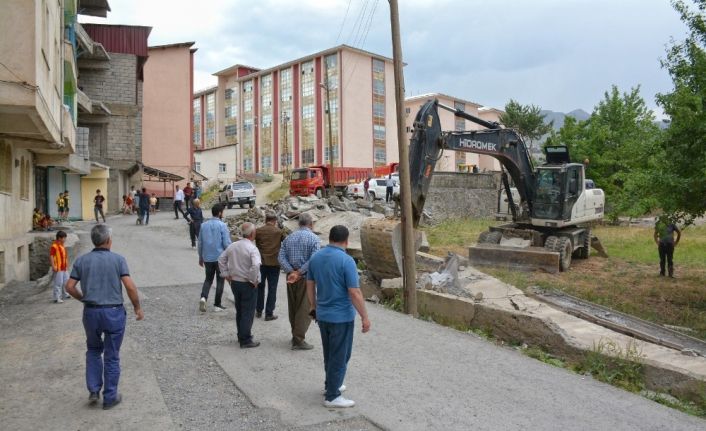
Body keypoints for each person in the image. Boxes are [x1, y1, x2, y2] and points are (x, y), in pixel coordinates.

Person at [64, 224, 144, 410]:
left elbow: (69, 287)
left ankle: (93, 389)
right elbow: (130, 286)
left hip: (91, 312)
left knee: (93, 349)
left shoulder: (82, 261)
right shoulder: (118, 260)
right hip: (113, 312)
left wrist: (84, 299)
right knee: (112, 355)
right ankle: (109, 398)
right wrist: (137, 307)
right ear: (108, 240)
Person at [306, 225, 371, 408]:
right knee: (341, 355)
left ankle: (331, 384)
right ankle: (333, 396)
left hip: (323, 315)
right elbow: (354, 292)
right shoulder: (347, 261)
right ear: (346, 240)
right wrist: (364, 317)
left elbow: (309, 284)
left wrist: (313, 306)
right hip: (341, 316)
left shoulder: (316, 257)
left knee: (330, 353)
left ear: (330, 238)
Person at [278, 212, 321, 350]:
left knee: (294, 307)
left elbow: (281, 257)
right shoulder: (314, 239)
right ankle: (298, 339)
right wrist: (299, 272)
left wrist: (291, 271)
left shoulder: (289, 238)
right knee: (305, 309)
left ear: (299, 223)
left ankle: (295, 335)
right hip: (305, 278)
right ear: (311, 224)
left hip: (291, 277)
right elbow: (314, 260)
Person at [218, 222, 261, 348]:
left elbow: (221, 259)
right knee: (248, 311)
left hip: (235, 282)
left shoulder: (233, 245)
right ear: (252, 234)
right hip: (247, 283)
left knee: (240, 310)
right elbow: (256, 265)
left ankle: (241, 335)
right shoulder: (252, 248)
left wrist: (226, 274)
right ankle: (245, 339)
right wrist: (253, 280)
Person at [197, 203, 231, 312]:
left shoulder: (203, 225)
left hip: (207, 257)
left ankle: (203, 297)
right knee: (220, 281)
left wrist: (200, 257)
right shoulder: (222, 225)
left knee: (208, 279)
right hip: (220, 258)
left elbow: (200, 243)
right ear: (220, 213)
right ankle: (217, 304)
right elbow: (226, 243)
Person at [255, 212, 285, 320]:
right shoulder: (278, 232)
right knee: (272, 288)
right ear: (275, 221)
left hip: (261, 263)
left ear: (265, 220)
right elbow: (284, 243)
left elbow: (256, 244)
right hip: (274, 263)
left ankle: (258, 310)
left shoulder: (258, 231)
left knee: (260, 287)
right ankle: (269, 313)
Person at [50, 230, 71, 303]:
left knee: (66, 281)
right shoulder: (54, 246)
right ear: (59, 238)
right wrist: (53, 266)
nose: (65, 239)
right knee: (58, 283)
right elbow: (52, 256)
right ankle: (56, 297)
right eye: (64, 238)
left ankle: (65, 294)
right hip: (58, 267)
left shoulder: (62, 245)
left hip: (64, 267)